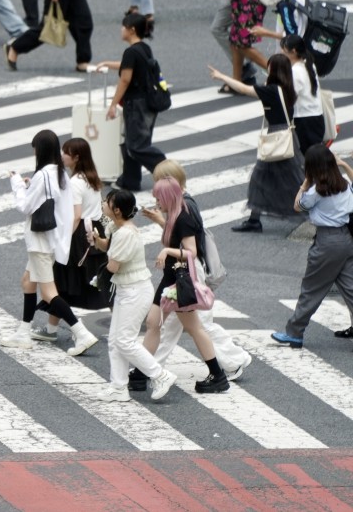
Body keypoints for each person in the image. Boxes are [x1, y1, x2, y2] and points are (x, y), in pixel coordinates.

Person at [138, 159, 254, 386]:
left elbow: (187, 247)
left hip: (188, 271)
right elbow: (177, 236)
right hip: (182, 270)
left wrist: (167, 247)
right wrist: (161, 221)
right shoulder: (179, 204)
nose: (158, 189)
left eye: (161, 181)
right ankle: (147, 369)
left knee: (196, 324)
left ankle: (233, 362)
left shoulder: (186, 208)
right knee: (170, 324)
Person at [3, 129, 100, 355]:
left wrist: (17, 184)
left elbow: (25, 207)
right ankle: (23, 332)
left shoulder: (44, 175)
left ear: (41, 150)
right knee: (27, 282)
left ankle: (82, 333)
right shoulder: (60, 173)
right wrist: (29, 187)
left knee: (48, 292)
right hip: (52, 239)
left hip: (41, 242)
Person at [89, 189, 176, 402]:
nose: (103, 204)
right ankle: (119, 387)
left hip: (135, 292)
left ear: (117, 210)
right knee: (115, 341)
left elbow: (114, 265)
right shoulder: (118, 226)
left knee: (124, 341)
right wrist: (96, 240)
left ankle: (160, 375)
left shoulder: (126, 234)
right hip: (128, 289)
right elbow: (108, 245)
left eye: (107, 202)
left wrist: (99, 277)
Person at [147, 177, 231, 393]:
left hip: (179, 280)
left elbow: (191, 252)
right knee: (153, 322)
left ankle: (218, 375)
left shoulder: (183, 217)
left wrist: (167, 251)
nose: (157, 202)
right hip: (170, 277)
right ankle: (141, 371)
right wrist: (160, 221)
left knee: (194, 328)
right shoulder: (174, 215)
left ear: (168, 197)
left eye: (159, 198)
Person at [271, 144, 353, 348]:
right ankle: (294, 332)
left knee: (311, 289)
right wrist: (344, 165)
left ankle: (294, 332)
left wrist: (305, 183)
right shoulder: (344, 184)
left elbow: (297, 205)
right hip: (346, 239)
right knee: (350, 288)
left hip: (327, 243)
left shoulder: (317, 191)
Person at [210, 54, 303, 233]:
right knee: (288, 178)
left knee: (264, 179)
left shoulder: (272, 90)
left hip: (277, 137)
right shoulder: (287, 88)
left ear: (274, 70)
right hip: (289, 135)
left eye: (269, 67)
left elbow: (245, 89)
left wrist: (222, 77)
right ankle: (255, 218)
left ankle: (315, 211)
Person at [40, 138, 109, 335]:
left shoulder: (75, 183)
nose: (62, 156)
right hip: (95, 231)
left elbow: (76, 215)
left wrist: (63, 239)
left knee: (61, 282)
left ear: (76, 157)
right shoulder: (91, 177)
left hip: (79, 235)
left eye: (66, 153)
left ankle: (51, 330)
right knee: (99, 282)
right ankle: (51, 329)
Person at [94, 13, 166, 191]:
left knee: (136, 146)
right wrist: (108, 64)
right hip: (147, 103)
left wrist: (113, 104)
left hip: (136, 105)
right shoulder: (143, 49)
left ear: (131, 29)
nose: (121, 30)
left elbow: (125, 80)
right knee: (132, 143)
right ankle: (130, 180)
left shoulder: (131, 51)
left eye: (123, 26)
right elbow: (130, 65)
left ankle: (167, 171)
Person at [281, 34, 324, 154]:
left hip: (305, 121)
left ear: (293, 51)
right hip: (317, 116)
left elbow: (290, 96)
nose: (283, 55)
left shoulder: (295, 71)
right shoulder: (309, 64)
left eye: (285, 51)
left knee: (309, 157)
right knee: (316, 156)